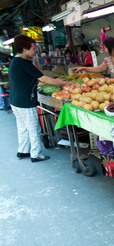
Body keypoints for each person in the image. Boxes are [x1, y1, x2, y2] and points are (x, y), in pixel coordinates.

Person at [9, 34, 70, 162]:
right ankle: (36, 154)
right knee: (33, 128)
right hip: (25, 101)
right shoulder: (24, 63)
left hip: (15, 101)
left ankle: (23, 150)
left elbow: (28, 80)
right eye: (33, 49)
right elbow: (43, 78)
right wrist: (63, 83)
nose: (35, 51)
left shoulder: (15, 61)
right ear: (25, 49)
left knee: (23, 127)